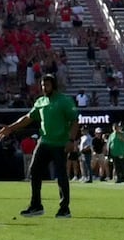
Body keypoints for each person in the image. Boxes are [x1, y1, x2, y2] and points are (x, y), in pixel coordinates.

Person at [11, 79, 78, 219]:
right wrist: (10, 128)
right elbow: (28, 118)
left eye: (46, 85)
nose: (44, 88)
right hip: (44, 142)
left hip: (60, 143)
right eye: (42, 85)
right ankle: (36, 205)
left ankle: (64, 208)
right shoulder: (40, 101)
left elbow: (74, 120)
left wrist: (71, 140)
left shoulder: (64, 101)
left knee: (61, 175)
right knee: (34, 170)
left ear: (54, 86)